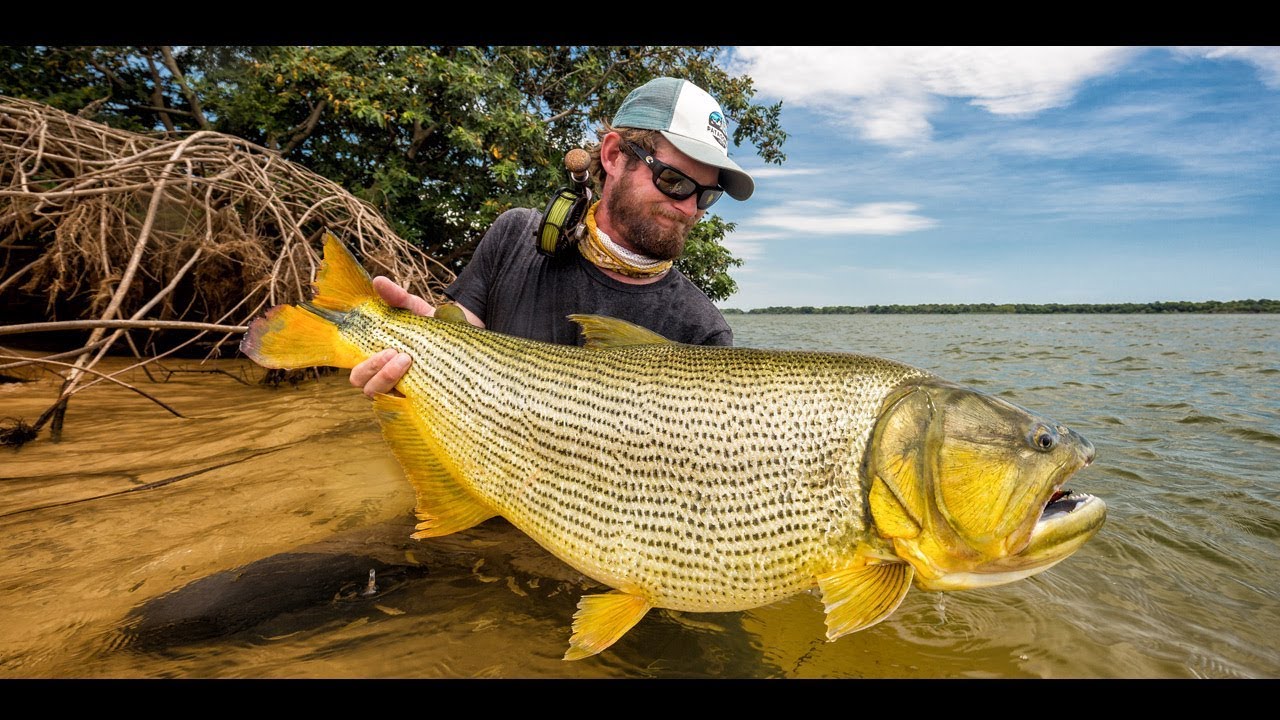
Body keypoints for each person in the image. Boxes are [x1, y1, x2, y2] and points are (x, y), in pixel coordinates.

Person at [351, 77, 756, 398]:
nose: (690, 208)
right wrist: (418, 362)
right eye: (673, 181)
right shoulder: (515, 235)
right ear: (614, 156)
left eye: (707, 195)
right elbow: (463, 349)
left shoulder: (703, 332)